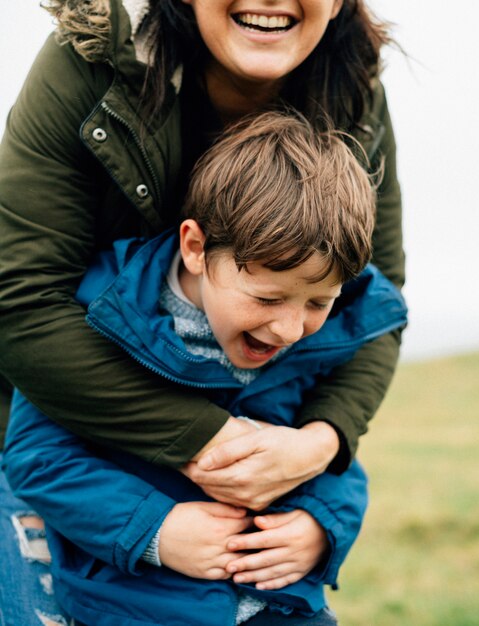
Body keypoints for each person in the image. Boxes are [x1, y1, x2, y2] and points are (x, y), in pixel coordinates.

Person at [4, 111, 407, 626]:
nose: (289, 329)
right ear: (195, 248)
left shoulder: (319, 338)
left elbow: (331, 458)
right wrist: (155, 531)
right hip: (135, 604)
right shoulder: (102, 316)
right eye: (268, 297)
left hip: (280, 606)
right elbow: (39, 459)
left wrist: (320, 526)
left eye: (317, 303)